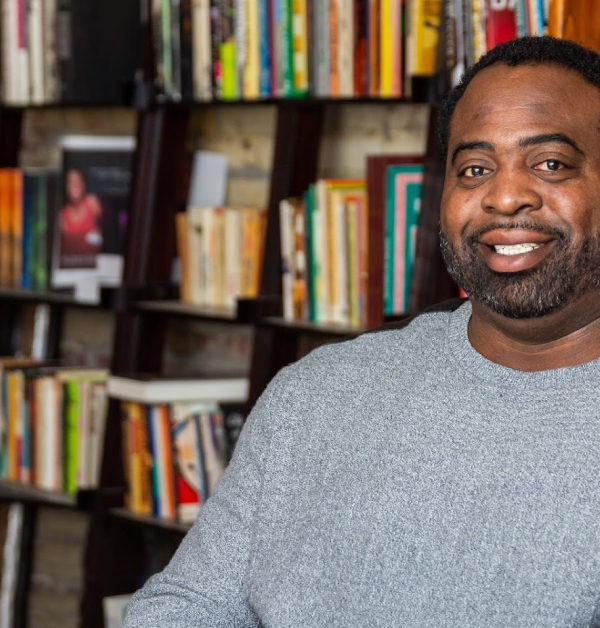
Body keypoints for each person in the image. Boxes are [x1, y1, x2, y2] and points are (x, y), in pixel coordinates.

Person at [124, 35, 600, 627]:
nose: (505, 197)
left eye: (549, 164)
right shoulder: (316, 393)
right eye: (475, 169)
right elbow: (187, 605)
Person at [59, 168, 103, 267]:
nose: (75, 185)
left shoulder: (92, 202)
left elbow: (104, 233)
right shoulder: (62, 215)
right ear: (66, 187)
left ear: (83, 184)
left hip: (94, 262)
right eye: (70, 181)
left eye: (78, 180)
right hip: (73, 264)